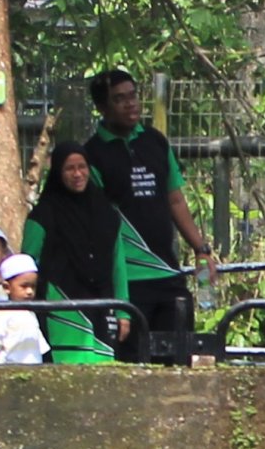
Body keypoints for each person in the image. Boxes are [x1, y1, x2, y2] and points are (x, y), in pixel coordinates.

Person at [80, 68, 218, 358]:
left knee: (177, 358)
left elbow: (175, 200)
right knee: (134, 362)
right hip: (127, 281)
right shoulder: (92, 155)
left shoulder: (155, 141)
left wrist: (201, 249)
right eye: (119, 99)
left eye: (133, 96)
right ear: (102, 107)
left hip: (167, 273)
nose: (130, 104)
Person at [21, 146, 175, 364]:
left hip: (102, 306)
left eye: (82, 167)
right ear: (58, 173)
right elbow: (27, 263)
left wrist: (123, 312)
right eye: (69, 169)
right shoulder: (43, 215)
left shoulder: (107, 215)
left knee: (103, 369)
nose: (77, 174)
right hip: (61, 309)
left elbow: (117, 266)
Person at [0, 253, 46, 365]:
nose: (30, 291)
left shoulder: (30, 313)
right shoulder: (1, 313)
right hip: (7, 370)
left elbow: (39, 347)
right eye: (24, 286)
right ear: (7, 287)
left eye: (33, 286)